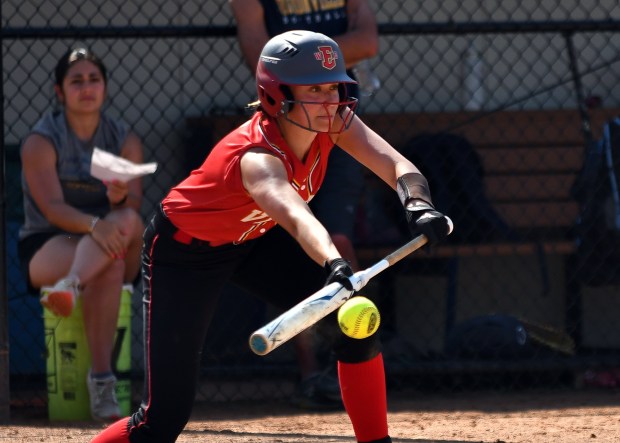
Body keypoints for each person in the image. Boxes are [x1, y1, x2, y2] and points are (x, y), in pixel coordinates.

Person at [91, 30, 449, 443]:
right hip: (186, 252)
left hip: (255, 238)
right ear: (277, 95)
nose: (331, 99)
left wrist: (418, 204)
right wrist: (333, 263)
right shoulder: (256, 157)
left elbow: (396, 165)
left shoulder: (334, 118)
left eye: (334, 87)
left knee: (356, 326)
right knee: (163, 418)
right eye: (315, 88)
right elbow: (295, 215)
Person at [230, 0, 379, 408]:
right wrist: (327, 59)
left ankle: (345, 363)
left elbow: (368, 41)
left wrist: (307, 65)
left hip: (333, 122)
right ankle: (311, 374)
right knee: (301, 245)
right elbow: (261, 58)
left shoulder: (335, 102)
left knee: (338, 242)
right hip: (290, 126)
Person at [18, 47, 145, 422]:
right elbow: (51, 209)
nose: (86, 87)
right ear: (60, 92)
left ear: (104, 88)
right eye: (76, 81)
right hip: (50, 242)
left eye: (94, 80)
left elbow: (132, 207)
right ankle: (102, 383)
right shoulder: (41, 141)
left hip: (114, 239)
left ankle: (71, 284)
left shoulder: (123, 138)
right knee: (107, 264)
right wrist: (94, 224)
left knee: (127, 222)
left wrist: (119, 197)